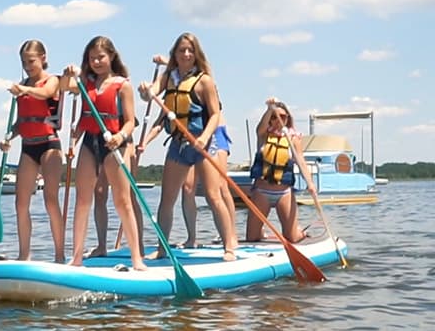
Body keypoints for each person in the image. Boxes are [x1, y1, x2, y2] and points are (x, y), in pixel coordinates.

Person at [138, 32, 239, 261]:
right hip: (178, 145)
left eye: (190, 50)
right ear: (174, 53)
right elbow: (151, 94)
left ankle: (229, 247)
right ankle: (163, 248)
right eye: (181, 50)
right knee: (167, 199)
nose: (185, 54)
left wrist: (204, 137)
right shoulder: (169, 77)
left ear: (196, 54)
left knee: (214, 195)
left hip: (203, 144)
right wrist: (145, 91)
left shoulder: (204, 81)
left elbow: (214, 115)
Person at [58, 35, 145, 269]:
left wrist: (119, 137)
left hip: (115, 144)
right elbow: (64, 87)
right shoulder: (84, 83)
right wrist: (67, 74)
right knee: (83, 199)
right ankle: (76, 258)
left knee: (122, 200)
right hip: (90, 142)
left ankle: (136, 257)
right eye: (92, 58)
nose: (96, 62)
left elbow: (129, 122)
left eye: (101, 57)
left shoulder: (122, 85)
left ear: (111, 57)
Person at [0, 39, 66, 262]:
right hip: (28, 146)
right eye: (23, 62)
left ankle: (59, 255)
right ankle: (24, 255)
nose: (27, 66)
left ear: (43, 58)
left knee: (50, 200)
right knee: (20, 203)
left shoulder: (52, 80)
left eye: (31, 61)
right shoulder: (23, 86)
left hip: (49, 145)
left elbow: (45, 94)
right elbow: (20, 122)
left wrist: (23, 89)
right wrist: (9, 137)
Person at [245, 97, 315, 243]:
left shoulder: (293, 139)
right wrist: (270, 109)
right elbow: (260, 127)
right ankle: (260, 232)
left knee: (292, 238)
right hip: (261, 191)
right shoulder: (263, 135)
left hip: (283, 193)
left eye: (282, 116)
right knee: (251, 238)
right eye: (274, 117)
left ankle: (299, 232)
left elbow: (301, 162)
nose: (278, 119)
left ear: (287, 118)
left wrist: (310, 184)